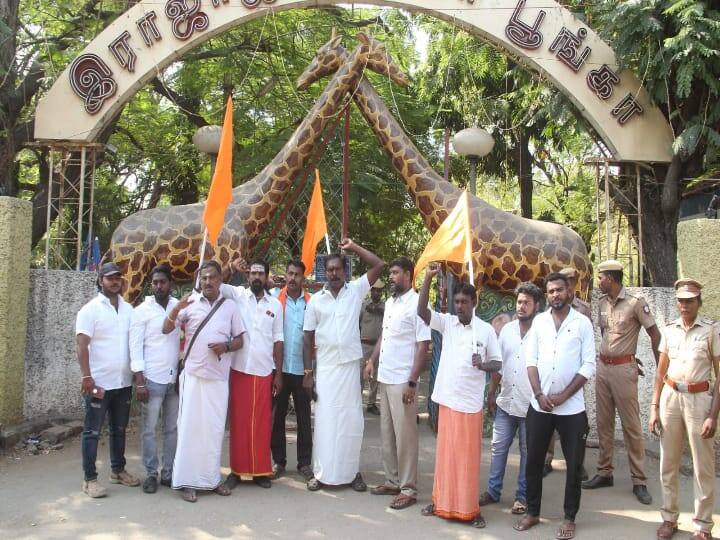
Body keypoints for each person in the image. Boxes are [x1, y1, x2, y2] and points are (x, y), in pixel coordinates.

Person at [418, 267, 502, 528]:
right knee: (445, 457)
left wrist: (483, 365)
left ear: (474, 303)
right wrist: (428, 279)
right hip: (448, 399)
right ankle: (440, 501)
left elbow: (497, 363)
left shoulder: (485, 330)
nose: (460, 306)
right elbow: (422, 312)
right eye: (456, 302)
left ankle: (470, 510)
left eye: (464, 302)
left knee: (467, 460)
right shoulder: (447, 323)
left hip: (470, 404)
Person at [514, 272, 595, 540]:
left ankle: (569, 518)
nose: (555, 295)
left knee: (574, 465)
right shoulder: (539, 322)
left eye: (559, 290)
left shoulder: (582, 323)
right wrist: (538, 394)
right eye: (550, 291)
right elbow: (531, 361)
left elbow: (588, 365)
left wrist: (563, 396)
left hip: (571, 409)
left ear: (569, 291)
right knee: (533, 461)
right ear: (546, 295)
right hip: (540, 407)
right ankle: (532, 512)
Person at [303, 238, 384, 491]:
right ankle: (320, 472)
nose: (334, 273)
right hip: (326, 368)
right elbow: (307, 337)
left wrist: (354, 248)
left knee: (350, 420)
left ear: (344, 271)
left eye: (339, 269)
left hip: (350, 367)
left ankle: (351, 473)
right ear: (324, 273)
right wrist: (308, 372)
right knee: (326, 419)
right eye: (330, 270)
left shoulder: (356, 291)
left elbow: (379, 265)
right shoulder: (316, 300)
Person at [163, 260, 245, 503]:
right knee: (189, 430)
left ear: (221, 280)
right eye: (204, 278)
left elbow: (240, 340)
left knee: (214, 431)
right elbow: (165, 328)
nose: (207, 282)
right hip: (194, 376)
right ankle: (186, 481)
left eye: (212, 278)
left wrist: (226, 346)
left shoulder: (230, 306)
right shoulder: (189, 304)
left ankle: (211, 480)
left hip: (218, 379)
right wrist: (177, 307)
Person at [582, 259, 660, 505]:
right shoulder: (603, 303)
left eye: (601, 277)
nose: (598, 281)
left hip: (624, 371)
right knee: (604, 423)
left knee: (631, 426)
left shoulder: (636, 303)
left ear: (612, 278)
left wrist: (661, 369)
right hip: (604, 368)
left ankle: (639, 480)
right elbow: (606, 334)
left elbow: (654, 334)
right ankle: (605, 472)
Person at [650, 279, 719, 540]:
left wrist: (713, 415)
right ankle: (669, 518)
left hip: (699, 399)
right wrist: (655, 406)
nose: (684, 305)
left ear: (699, 302)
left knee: (703, 465)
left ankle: (702, 525)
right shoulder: (670, 330)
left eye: (689, 300)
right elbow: (660, 371)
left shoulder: (711, 330)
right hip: (670, 396)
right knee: (668, 462)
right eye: (681, 300)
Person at [364, 257, 430, 510]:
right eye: (390, 272)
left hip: (404, 380)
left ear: (408, 275)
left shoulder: (418, 304)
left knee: (406, 437)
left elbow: (423, 345)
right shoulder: (391, 303)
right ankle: (392, 480)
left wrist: (412, 382)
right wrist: (372, 360)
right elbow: (385, 334)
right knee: (387, 434)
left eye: (394, 273)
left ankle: (408, 488)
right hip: (385, 377)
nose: (390, 277)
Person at [76, 262, 141, 498]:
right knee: (92, 431)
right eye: (110, 278)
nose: (115, 282)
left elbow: (134, 342)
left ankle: (118, 470)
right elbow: (82, 346)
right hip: (98, 383)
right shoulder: (90, 310)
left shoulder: (128, 310)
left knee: (119, 429)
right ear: (100, 281)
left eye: (118, 278)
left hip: (123, 383)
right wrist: (86, 376)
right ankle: (90, 479)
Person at [480, 282, 543, 515]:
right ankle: (493, 491)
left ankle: (522, 498)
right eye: (519, 302)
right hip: (506, 400)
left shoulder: (542, 332)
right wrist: (492, 391)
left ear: (536, 306)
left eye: (527, 302)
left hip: (531, 404)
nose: (522, 306)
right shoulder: (506, 330)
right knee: (498, 447)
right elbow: (499, 364)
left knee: (528, 452)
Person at [221, 258, 284, 490]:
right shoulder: (238, 295)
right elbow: (212, 283)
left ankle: (260, 471)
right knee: (238, 422)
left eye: (260, 274)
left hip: (263, 370)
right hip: (239, 369)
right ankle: (236, 471)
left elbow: (278, 340)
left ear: (266, 277)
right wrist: (230, 268)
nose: (256, 277)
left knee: (261, 423)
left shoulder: (275, 305)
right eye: (253, 273)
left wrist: (278, 373)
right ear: (248, 277)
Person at [129, 264, 181, 494]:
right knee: (149, 429)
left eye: (163, 282)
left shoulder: (178, 307)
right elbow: (135, 348)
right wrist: (140, 381)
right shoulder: (142, 311)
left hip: (173, 379)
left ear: (171, 284)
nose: (159, 286)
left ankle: (168, 473)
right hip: (151, 380)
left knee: (171, 428)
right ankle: (151, 473)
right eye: (155, 282)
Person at [544, 267, 590, 480]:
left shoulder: (583, 310)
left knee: (575, 426)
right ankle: (547, 459)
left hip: (575, 380)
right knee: (548, 426)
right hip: (548, 386)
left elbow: (587, 350)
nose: (568, 286)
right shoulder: (544, 314)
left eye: (571, 281)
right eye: (566, 281)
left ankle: (576, 464)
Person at [271, 259, 314, 481]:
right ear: (285, 275)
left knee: (304, 418)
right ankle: (279, 461)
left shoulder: (311, 302)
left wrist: (310, 372)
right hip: (279, 369)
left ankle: (304, 463)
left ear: (303, 278)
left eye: (297, 275)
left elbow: (314, 337)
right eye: (289, 274)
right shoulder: (276, 301)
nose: (293, 278)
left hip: (302, 370)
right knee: (277, 417)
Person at [360, 280, 385, 414]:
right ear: (371, 291)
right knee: (360, 375)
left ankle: (371, 404)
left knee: (375, 378)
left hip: (378, 346)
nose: (377, 292)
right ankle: (357, 402)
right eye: (374, 289)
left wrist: (378, 310)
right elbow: (356, 324)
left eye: (379, 290)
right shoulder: (363, 306)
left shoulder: (386, 307)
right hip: (364, 345)